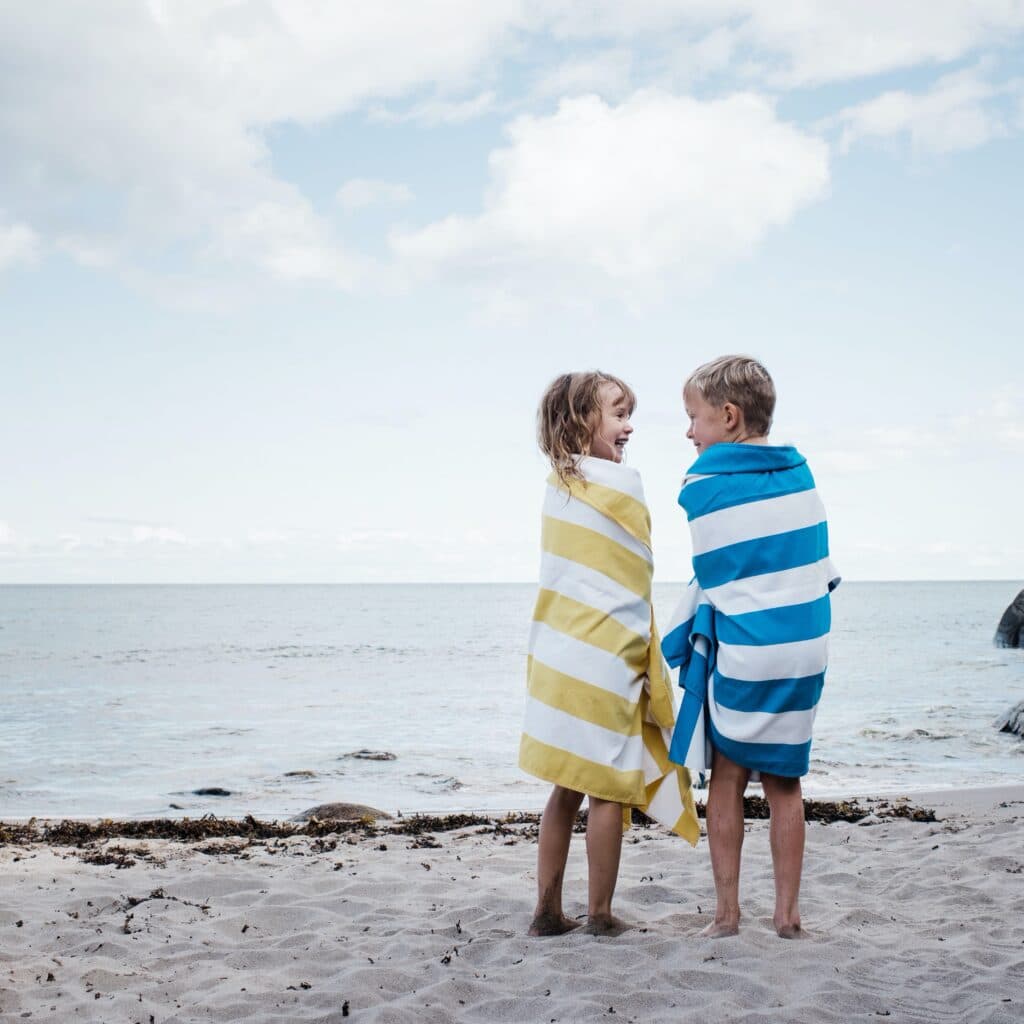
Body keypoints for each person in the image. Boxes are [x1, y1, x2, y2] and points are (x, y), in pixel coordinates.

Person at [662, 355, 839, 939]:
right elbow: (816, 564)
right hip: (805, 646)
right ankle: (788, 919)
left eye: (695, 419)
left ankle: (727, 915)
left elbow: (715, 572)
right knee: (786, 783)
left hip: (750, 651)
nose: (689, 433)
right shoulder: (801, 474)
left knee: (730, 777)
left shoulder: (705, 484)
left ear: (730, 418)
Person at [520, 371, 699, 937]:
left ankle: (546, 911)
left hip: (556, 655)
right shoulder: (623, 485)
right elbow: (631, 579)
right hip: (603, 657)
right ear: (581, 422)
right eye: (618, 414)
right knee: (605, 788)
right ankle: (598, 915)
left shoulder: (556, 486)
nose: (629, 426)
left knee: (564, 786)